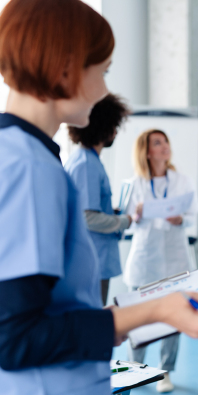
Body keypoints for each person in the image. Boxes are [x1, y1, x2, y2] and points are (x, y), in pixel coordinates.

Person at [0, 1, 198, 395]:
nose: (103, 91)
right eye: (103, 72)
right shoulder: (30, 168)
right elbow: (14, 338)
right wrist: (153, 311)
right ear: (64, 68)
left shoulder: (28, 156)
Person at [123, 128, 198, 393]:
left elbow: (193, 213)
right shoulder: (135, 184)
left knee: (173, 314)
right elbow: (128, 222)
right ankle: (135, 369)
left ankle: (165, 371)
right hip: (146, 256)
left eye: (166, 141)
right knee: (138, 316)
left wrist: (182, 219)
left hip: (175, 253)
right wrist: (136, 215)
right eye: (158, 143)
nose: (165, 146)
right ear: (147, 151)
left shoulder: (182, 180)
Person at [65, 93, 131, 305]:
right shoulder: (86, 164)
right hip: (94, 259)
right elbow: (88, 217)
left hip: (96, 258)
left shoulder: (86, 160)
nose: (115, 133)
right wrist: (124, 221)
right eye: (115, 127)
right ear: (105, 128)